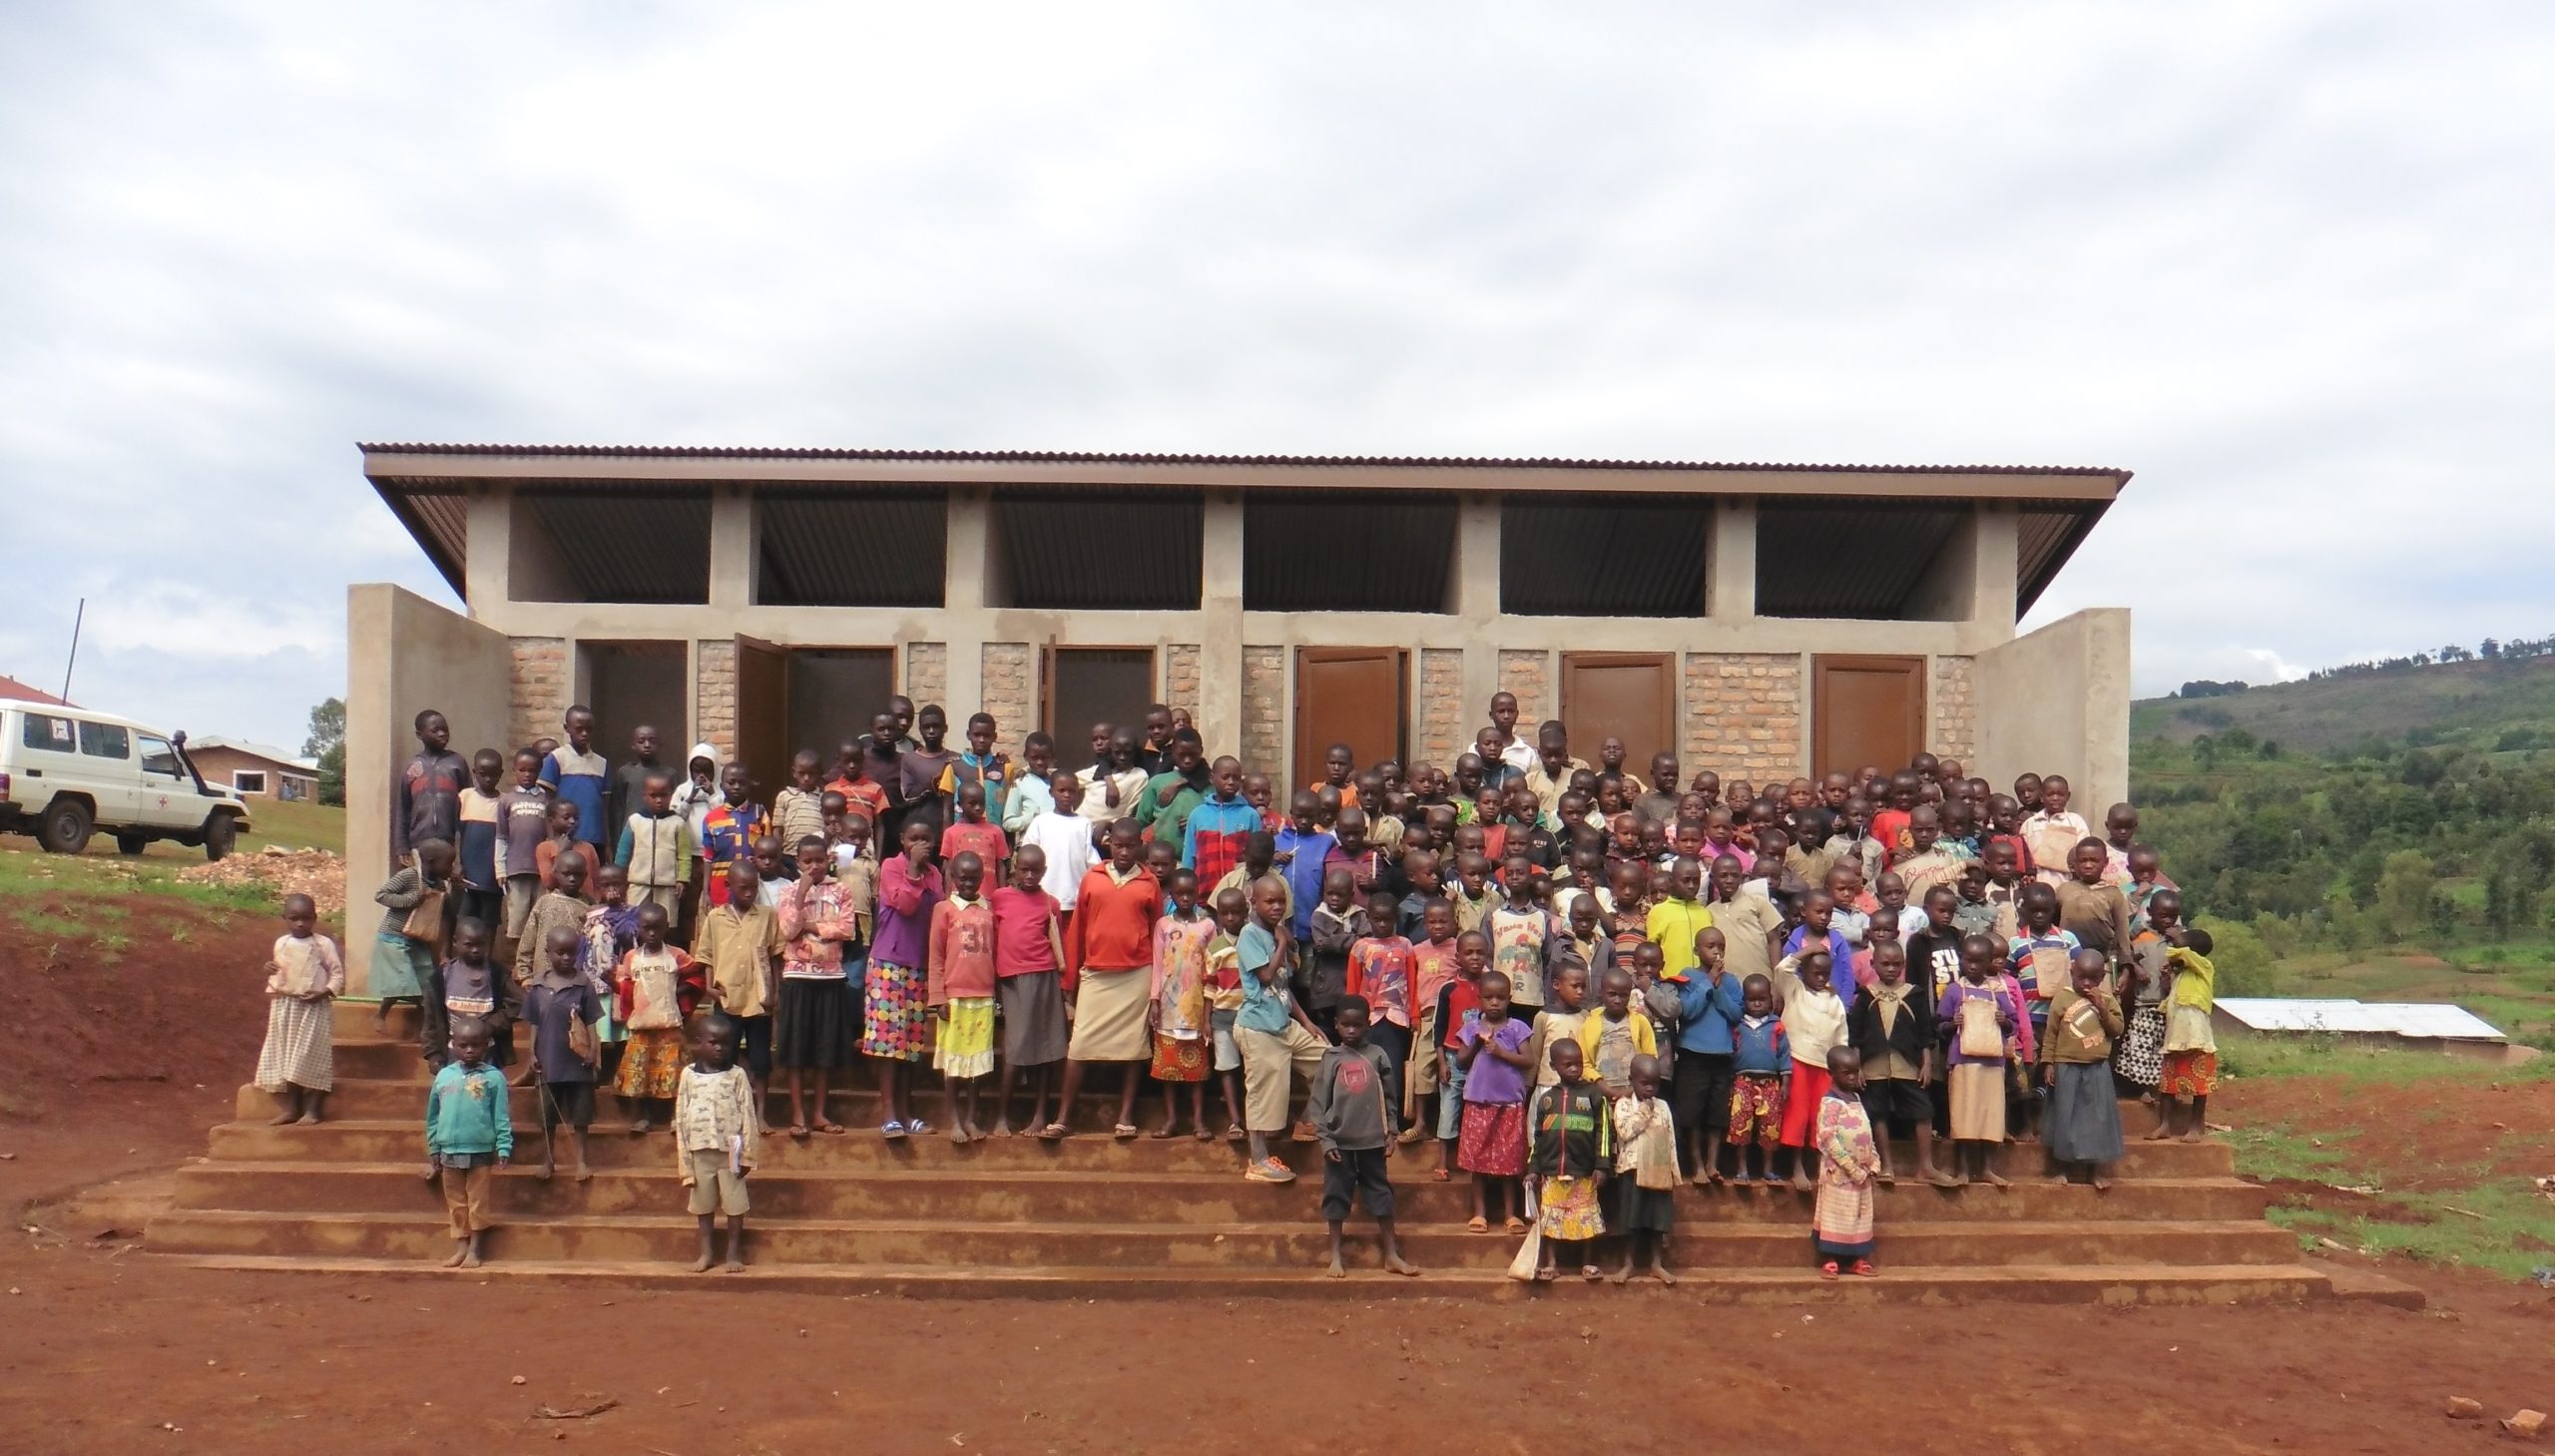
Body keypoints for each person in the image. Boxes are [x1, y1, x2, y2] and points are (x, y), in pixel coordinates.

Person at [1046, 819, 1163, 1140]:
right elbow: (1078, 931)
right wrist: (1070, 981)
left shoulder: (1149, 882)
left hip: (1137, 974)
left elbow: (1157, 935)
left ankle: (1126, 1116)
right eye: (1118, 846)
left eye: (1131, 846)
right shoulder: (1092, 878)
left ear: (1140, 845)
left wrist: (1157, 985)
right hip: (1096, 973)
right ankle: (1063, 1118)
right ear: (1109, 845)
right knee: (1080, 1045)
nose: (1124, 852)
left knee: (1133, 1048)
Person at [1307, 998, 1420, 1277]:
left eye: (1357, 1025)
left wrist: (1391, 1132)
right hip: (1340, 1143)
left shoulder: (1378, 1056)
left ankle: (1391, 1254)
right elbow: (1318, 1103)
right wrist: (1325, 1140)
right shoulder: (1331, 1058)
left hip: (1373, 1142)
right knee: (1336, 1197)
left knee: (1381, 1195)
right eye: (1345, 1025)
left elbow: (1390, 1099)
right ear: (1336, 1025)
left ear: (1367, 1025)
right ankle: (1335, 1256)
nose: (1351, 1031)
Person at [1233, 876, 1331, 1183]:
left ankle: (1308, 1121)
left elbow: (1283, 987)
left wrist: (1306, 1022)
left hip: (1283, 1022)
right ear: (1254, 903)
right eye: (1269, 901)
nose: (1276, 906)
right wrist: (1282, 944)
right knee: (1262, 1092)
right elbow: (1265, 976)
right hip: (1258, 1027)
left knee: (1329, 1059)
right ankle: (1258, 1160)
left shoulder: (1277, 933)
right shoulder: (1249, 934)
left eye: (1280, 901)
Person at [869, 820, 945, 1138]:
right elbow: (905, 905)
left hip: (918, 966)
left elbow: (938, 913)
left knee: (911, 1044)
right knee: (889, 1044)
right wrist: (913, 869)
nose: (920, 844)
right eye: (913, 838)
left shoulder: (937, 875)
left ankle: (906, 1111)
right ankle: (889, 1115)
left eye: (926, 838)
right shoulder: (891, 867)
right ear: (902, 840)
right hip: (888, 963)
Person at [1850, 939, 1945, 1186]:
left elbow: (1926, 1034)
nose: (1891, 969)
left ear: (1904, 965)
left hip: (1908, 1064)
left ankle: (1925, 1166)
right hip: (1873, 1066)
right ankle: (1886, 1166)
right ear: (1873, 964)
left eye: (1896, 964)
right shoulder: (1865, 995)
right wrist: (1858, 1067)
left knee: (1923, 1111)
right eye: (1885, 964)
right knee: (1878, 1113)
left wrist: (1926, 1064)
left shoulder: (1914, 994)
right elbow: (1856, 1035)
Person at [990, 845, 1070, 1138]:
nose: (1030, 875)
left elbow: (1055, 941)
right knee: (1016, 1048)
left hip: (1045, 976)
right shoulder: (999, 898)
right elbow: (994, 939)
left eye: (1036, 870)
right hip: (1013, 979)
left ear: (1044, 871)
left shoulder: (1051, 903)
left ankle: (1039, 1116)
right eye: (1024, 869)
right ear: (1014, 868)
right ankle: (1002, 1116)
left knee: (1048, 1048)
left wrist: (1063, 987)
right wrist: (994, 984)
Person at [674, 1013, 760, 1272]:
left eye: (726, 1043)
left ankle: (733, 1252)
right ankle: (707, 1252)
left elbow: (747, 1114)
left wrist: (749, 1155)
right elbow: (680, 1116)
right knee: (703, 1204)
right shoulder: (688, 1075)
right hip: (699, 1148)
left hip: (732, 1147)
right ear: (698, 1043)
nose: (720, 1048)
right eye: (714, 1042)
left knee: (734, 1203)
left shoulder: (737, 1075)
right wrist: (684, 1163)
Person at [421, 1017, 509, 1268]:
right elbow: (433, 1116)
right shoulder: (444, 1076)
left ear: (487, 1045)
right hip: (448, 1149)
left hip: (480, 1149)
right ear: (453, 1045)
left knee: (478, 1200)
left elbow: (501, 1116)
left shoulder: (494, 1078)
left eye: (476, 1045)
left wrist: (503, 1145)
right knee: (456, 1201)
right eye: (463, 1045)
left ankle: (475, 1248)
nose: (469, 1050)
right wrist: (434, 1147)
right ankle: (461, 1245)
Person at [925, 850, 1000, 1144]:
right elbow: (936, 954)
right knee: (954, 1064)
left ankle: (971, 1117)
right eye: (962, 878)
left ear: (982, 879)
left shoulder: (988, 908)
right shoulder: (944, 909)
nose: (968, 884)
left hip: (983, 996)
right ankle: (955, 1120)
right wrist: (938, 997)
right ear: (953, 878)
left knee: (978, 1066)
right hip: (954, 998)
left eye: (974, 878)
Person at [517, 924, 601, 1182]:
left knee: (581, 1116)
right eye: (560, 952)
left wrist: (593, 1052)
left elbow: (591, 1022)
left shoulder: (583, 983)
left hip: (577, 1062)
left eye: (571, 953)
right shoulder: (539, 985)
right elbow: (534, 1024)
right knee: (546, 1115)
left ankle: (582, 1161)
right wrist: (531, 1054)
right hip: (548, 1060)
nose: (566, 958)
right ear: (548, 952)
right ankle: (548, 1160)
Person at [610, 902, 701, 1134]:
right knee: (641, 1074)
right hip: (640, 1026)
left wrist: (679, 992)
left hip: (668, 1024)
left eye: (657, 928)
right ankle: (642, 1117)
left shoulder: (676, 955)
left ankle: (674, 1116)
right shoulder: (631, 958)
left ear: (666, 928)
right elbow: (625, 988)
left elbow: (697, 976)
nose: (651, 933)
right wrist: (613, 982)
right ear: (638, 928)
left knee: (671, 1073)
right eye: (646, 928)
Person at [1525, 1038, 1612, 1281]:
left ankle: (1588, 1262)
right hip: (1552, 1171)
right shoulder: (1547, 1100)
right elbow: (1538, 1137)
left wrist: (1602, 1166)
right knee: (1552, 1218)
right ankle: (1551, 1263)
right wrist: (1534, 1168)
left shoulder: (1594, 1095)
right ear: (1553, 1067)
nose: (1574, 1069)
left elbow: (1604, 1132)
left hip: (1584, 1171)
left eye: (1578, 1064)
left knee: (1586, 1218)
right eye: (1567, 1065)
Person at [1938, 933, 2022, 1187]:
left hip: (1993, 1062)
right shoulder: (1954, 990)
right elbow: (1939, 1024)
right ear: (1962, 960)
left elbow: (2013, 1024)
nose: (1973, 965)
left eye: (1979, 961)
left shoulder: (1998, 991)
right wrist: (1952, 1024)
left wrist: (2004, 1021)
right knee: (1965, 1116)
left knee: (1990, 1115)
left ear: (1989, 962)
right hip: (1963, 1061)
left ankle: (1987, 1168)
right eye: (1968, 960)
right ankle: (1962, 1169)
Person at [255, 893, 344, 1125]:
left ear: (314, 918)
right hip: (285, 1006)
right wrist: (269, 968)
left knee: (311, 1055)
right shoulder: (281, 943)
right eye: (294, 918)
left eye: (305, 918)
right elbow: (279, 969)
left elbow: (337, 974)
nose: (300, 924)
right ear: (285, 918)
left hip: (313, 1007)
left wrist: (323, 992)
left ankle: (313, 1109)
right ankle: (292, 1108)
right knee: (287, 1057)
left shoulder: (323, 944)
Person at [1456, 969, 1535, 1231]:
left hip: (1509, 1104)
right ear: (1479, 999)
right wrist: (1478, 1042)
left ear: (1509, 999)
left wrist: (1500, 1052)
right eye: (1488, 997)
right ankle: (1480, 1213)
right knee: (1477, 1159)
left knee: (1509, 1161)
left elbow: (1528, 1061)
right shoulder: (1471, 1028)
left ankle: (1511, 1214)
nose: (1494, 1003)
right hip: (1479, 1102)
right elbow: (1461, 1061)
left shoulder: (1517, 1028)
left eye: (1500, 998)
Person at [2042, 948, 2127, 1186]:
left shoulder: (2108, 1001)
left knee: (2096, 1119)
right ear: (2072, 972)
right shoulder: (2062, 998)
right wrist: (2048, 1063)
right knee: (2065, 1117)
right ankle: (2061, 1168)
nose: (2086, 983)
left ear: (2102, 977)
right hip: (2066, 1066)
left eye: (2092, 978)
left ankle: (2095, 1171)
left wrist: (2101, 1007)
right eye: (2081, 977)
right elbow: (2051, 1034)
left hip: (2097, 1068)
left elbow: (2117, 1030)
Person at [1147, 867, 1217, 1139]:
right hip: (1168, 1006)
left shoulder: (1208, 926)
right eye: (1180, 893)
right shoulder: (1163, 925)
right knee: (1169, 1068)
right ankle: (1171, 1120)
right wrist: (1154, 1000)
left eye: (1190, 893)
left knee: (1197, 1068)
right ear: (1172, 895)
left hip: (1196, 1005)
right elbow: (1156, 964)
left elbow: (1213, 966)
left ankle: (1199, 1121)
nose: (1185, 898)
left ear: (1198, 893)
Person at [1343, 885, 1417, 1123]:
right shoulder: (1361, 947)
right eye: (1377, 920)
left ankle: (1393, 1121)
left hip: (1397, 1018)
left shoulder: (1405, 946)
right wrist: (1351, 1018)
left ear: (1395, 918)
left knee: (1393, 1069)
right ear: (1369, 918)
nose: (1383, 925)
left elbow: (1412, 983)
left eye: (1388, 920)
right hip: (1368, 1019)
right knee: (1367, 1068)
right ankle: (1368, 1119)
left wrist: (1414, 1016)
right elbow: (1352, 987)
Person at [1776, 949, 1847, 1193]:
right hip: (1797, 1060)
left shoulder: (1834, 1000)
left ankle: (1820, 1163)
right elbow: (1781, 969)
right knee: (1797, 1114)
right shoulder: (1795, 990)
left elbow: (1841, 1037)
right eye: (1815, 972)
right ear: (1803, 971)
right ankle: (1796, 1166)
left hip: (1825, 1067)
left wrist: (1841, 1068)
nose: (1820, 978)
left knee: (1821, 1117)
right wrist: (1810, 950)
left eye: (1825, 974)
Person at [1811, 1047, 1881, 1278]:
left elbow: (1866, 1132)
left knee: (1859, 1216)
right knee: (1836, 1213)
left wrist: (1874, 1161)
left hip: (1862, 1173)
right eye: (1846, 1073)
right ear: (1832, 1073)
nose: (1852, 1077)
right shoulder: (1830, 1102)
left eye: (1855, 1071)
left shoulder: (1858, 1099)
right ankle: (1830, 1260)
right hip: (1839, 1173)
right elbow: (1827, 1137)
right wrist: (1850, 1168)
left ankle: (1857, 1260)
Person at [1609, 1053, 1677, 1284]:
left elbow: (1670, 1140)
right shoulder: (1624, 1105)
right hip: (1632, 1171)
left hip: (1658, 1172)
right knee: (1631, 1221)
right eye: (1644, 1083)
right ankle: (1628, 1264)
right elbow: (1626, 1132)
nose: (1650, 1088)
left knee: (1658, 1221)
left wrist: (1673, 1172)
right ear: (1632, 1080)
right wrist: (1645, 1111)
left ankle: (1656, 1264)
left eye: (1655, 1083)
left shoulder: (1664, 1106)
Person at [370, 838, 453, 1030]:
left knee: (427, 982)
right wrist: (413, 899)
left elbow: (445, 915)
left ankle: (425, 1028)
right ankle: (381, 1014)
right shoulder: (408, 876)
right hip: (394, 937)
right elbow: (381, 895)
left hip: (418, 939)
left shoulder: (440, 885)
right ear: (432, 862)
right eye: (448, 863)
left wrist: (443, 952)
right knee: (402, 979)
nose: (451, 867)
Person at [422, 918, 519, 1074]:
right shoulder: (441, 978)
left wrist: (489, 1026)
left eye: (480, 944)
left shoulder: (497, 974)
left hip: (489, 1055)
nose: (475, 950)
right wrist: (433, 1054)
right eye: (469, 944)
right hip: (451, 1056)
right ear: (455, 942)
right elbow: (430, 1020)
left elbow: (519, 1004)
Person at [2155, 927, 2220, 1143]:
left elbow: (2180, 952)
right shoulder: (2181, 975)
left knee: (2198, 1086)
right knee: (2168, 1085)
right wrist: (2167, 984)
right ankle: (2164, 1125)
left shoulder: (2205, 967)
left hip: (2197, 1038)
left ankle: (2194, 1127)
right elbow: (2168, 1004)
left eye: (2179, 943)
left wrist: (2175, 939)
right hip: (2175, 1039)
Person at [1726, 974, 1790, 1186]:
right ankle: (1742, 1169)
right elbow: (1732, 1052)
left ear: (1770, 999)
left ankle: (1768, 1169)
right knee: (1741, 1125)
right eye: (1751, 999)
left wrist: (1785, 1083)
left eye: (1761, 998)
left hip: (1770, 1082)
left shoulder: (1777, 1025)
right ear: (1743, 1000)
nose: (1756, 1003)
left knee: (1770, 1127)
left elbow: (1784, 1055)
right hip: (1743, 1081)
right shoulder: (1738, 1025)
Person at [614, 770, 696, 922]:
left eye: (663, 795)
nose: (659, 800)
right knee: (633, 921)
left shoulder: (677, 823)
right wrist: (619, 879)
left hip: (667, 886)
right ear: (644, 796)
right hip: (638, 883)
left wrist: (682, 879)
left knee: (666, 923)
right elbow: (622, 853)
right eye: (653, 796)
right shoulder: (635, 821)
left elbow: (684, 855)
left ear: (671, 796)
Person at [393, 709, 469, 867]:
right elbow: (403, 809)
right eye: (435, 730)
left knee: (446, 887)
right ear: (419, 735)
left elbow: (468, 806)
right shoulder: (412, 767)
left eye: (445, 730)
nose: (442, 734)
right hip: (418, 843)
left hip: (449, 841)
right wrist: (401, 846)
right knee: (421, 886)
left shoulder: (457, 763)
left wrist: (464, 846)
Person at [494, 748, 553, 945]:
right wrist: (500, 868)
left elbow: (552, 837)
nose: (527, 774)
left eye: (532, 770)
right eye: (522, 769)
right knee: (517, 920)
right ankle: (516, 965)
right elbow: (501, 836)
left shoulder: (546, 800)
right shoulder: (507, 800)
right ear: (515, 771)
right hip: (516, 868)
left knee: (540, 918)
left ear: (539, 771)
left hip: (541, 870)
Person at [538, 706, 611, 855]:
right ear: (567, 728)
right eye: (579, 729)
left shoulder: (602, 763)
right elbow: (548, 802)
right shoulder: (557, 758)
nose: (584, 733)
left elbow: (604, 807)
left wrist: (608, 843)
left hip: (595, 837)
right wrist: (552, 838)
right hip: (565, 838)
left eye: (589, 729)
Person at [454, 748, 505, 937]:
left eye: (493, 775)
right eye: (483, 775)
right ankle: (461, 961)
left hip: (492, 875)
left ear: (500, 774)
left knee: (489, 921)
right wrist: (457, 863)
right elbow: (457, 832)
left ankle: (486, 962)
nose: (488, 779)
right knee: (464, 918)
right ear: (474, 773)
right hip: (468, 873)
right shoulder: (464, 797)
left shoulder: (505, 802)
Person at [939, 780, 1008, 885]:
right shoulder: (951, 833)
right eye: (972, 803)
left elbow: (1001, 866)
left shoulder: (996, 831)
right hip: (959, 897)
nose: (978, 808)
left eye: (982, 803)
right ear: (960, 804)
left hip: (989, 897)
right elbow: (948, 868)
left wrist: (1002, 894)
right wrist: (949, 897)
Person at [607, 724, 667, 838]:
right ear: (633, 745)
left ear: (660, 745)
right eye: (641, 741)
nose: (647, 745)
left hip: (661, 835)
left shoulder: (669, 774)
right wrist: (616, 842)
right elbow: (617, 811)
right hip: (631, 835)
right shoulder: (625, 773)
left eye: (652, 741)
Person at [772, 750, 829, 858]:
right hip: (790, 854)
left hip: (816, 856)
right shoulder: (784, 796)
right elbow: (778, 830)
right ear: (794, 772)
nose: (806, 778)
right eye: (802, 773)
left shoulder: (824, 798)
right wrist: (778, 856)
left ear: (820, 773)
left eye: (811, 774)